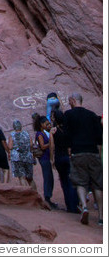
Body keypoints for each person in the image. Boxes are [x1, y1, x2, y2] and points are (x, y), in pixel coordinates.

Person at [63, 92, 103, 226]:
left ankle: (84, 207)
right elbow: (100, 136)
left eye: (69, 101)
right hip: (93, 152)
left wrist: (69, 147)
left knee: (80, 182)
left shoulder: (68, 115)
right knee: (97, 184)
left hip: (77, 152)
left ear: (73, 100)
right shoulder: (92, 115)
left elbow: (66, 134)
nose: (68, 103)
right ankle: (101, 217)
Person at [50, 108, 79, 214]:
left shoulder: (53, 131)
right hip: (68, 157)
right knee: (71, 181)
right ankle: (75, 205)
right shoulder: (68, 130)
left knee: (63, 182)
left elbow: (52, 146)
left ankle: (69, 206)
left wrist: (51, 159)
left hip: (59, 157)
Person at [34, 115, 57, 209]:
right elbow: (42, 146)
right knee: (48, 178)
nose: (48, 125)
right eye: (46, 124)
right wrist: (51, 142)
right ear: (41, 124)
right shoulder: (40, 134)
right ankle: (47, 199)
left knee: (50, 178)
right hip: (44, 158)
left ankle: (48, 198)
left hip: (46, 158)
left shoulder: (44, 133)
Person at [7, 119, 36, 189]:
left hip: (17, 158)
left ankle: (27, 194)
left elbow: (10, 147)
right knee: (30, 178)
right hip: (28, 158)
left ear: (14, 127)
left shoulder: (12, 135)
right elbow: (31, 144)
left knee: (21, 177)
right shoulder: (27, 133)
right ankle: (35, 193)